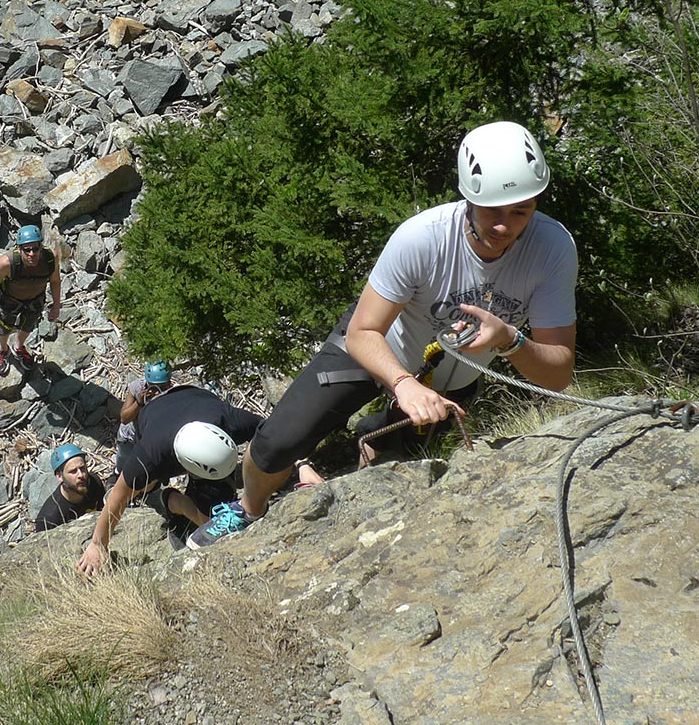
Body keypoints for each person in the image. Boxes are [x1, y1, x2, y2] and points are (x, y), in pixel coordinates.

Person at [186, 120, 578, 550]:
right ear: (468, 199)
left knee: (402, 448)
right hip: (376, 347)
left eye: (520, 212)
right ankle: (249, 509)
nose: (505, 227)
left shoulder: (552, 249)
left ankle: (370, 438)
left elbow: (558, 376)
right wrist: (402, 382)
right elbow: (363, 330)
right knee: (277, 441)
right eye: (492, 212)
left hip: (450, 378)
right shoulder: (423, 239)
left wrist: (510, 340)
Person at [76, 384, 262, 575]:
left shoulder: (228, 419)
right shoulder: (151, 453)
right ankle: (164, 497)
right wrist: (97, 544)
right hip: (154, 414)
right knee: (144, 486)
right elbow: (119, 496)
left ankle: (176, 501)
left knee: (212, 516)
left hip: (193, 397)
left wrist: (295, 464)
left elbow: (272, 433)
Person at [0, 225, 62, 376]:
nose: (32, 254)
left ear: (41, 246)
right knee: (3, 327)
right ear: (19, 249)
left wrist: (56, 306)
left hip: (35, 300)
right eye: (27, 250)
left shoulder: (50, 258)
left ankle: (18, 347)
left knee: (28, 326)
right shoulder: (6, 263)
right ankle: (3, 350)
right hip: (10, 300)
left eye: (35, 248)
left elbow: (55, 281)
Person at [115, 360, 173, 473]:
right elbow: (124, 418)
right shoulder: (137, 387)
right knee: (124, 464)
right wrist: (139, 403)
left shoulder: (171, 394)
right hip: (129, 438)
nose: (157, 392)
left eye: (162, 387)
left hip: (149, 442)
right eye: (154, 387)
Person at [34, 443, 106, 532]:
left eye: (82, 468)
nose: (80, 475)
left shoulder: (94, 483)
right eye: (73, 471)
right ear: (60, 477)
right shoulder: (49, 519)